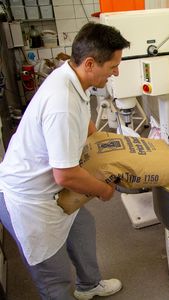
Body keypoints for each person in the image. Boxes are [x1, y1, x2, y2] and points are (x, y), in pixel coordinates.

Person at [0, 22, 130, 300]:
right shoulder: (62, 103)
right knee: (55, 278)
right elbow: (66, 175)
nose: (116, 72)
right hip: (29, 199)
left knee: (82, 226)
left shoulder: (72, 77)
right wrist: (104, 190)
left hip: (50, 188)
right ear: (91, 63)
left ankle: (89, 285)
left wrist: (113, 148)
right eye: (113, 66)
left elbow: (85, 126)